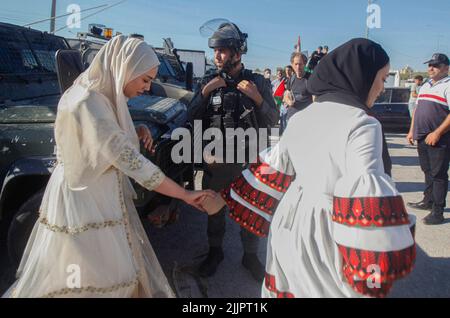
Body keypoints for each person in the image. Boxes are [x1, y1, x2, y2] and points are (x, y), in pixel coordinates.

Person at [3, 35, 214, 298]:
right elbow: (135, 165)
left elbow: (102, 138)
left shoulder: (94, 93)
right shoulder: (88, 103)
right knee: (88, 279)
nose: (148, 88)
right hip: (85, 204)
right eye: (145, 79)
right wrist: (185, 194)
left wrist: (136, 130)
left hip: (98, 195)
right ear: (125, 67)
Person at [219, 38, 416, 297]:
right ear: (362, 77)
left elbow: (272, 167)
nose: (382, 87)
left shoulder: (302, 116)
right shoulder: (363, 124)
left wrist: (221, 200)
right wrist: (383, 252)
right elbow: (366, 190)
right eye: (381, 78)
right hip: (328, 229)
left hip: (289, 223)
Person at [188, 22, 279, 281]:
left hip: (249, 161)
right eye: (215, 50)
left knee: (251, 211)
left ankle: (250, 256)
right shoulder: (208, 81)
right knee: (214, 211)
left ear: (237, 53)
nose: (217, 55)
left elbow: (272, 120)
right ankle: (215, 252)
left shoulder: (258, 82)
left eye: (223, 50)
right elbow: (191, 117)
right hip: (216, 164)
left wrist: (257, 98)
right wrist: (204, 93)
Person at [406, 53, 450, 225]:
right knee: (427, 170)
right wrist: (411, 131)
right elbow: (417, 110)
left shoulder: (447, 85)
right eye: (430, 65)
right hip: (422, 136)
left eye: (436, 65)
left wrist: (438, 132)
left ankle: (438, 212)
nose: (431, 68)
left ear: (446, 68)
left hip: (439, 138)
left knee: (438, 174)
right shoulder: (425, 85)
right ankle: (428, 201)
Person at [283, 52, 313, 121]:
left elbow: (315, 99)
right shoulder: (291, 79)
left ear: (305, 64)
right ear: (292, 65)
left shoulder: (311, 79)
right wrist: (289, 101)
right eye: (296, 64)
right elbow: (286, 94)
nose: (298, 67)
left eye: (300, 64)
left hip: (306, 119)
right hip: (291, 117)